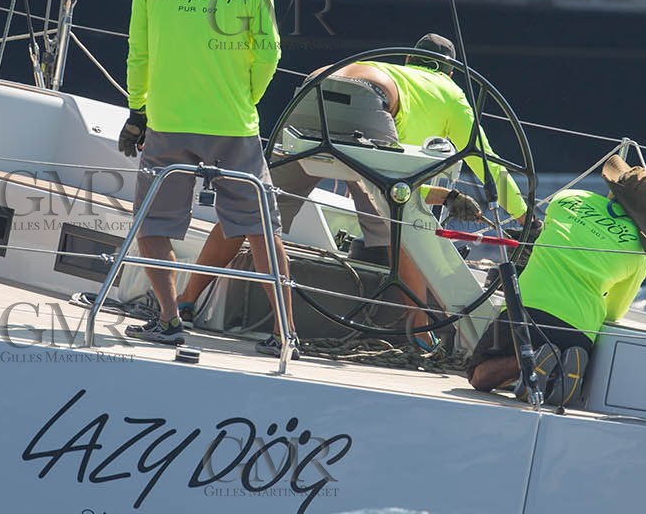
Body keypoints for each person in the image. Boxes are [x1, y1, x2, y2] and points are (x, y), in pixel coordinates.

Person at [173, 34, 529, 345]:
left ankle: (186, 300)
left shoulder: (397, 72)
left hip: (315, 88)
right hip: (368, 102)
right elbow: (484, 163)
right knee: (401, 227)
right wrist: (524, 216)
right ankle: (420, 332)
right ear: (449, 71)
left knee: (254, 211)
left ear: (408, 59)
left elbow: (362, 165)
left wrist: (446, 196)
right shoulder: (449, 92)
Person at [119, 0, 296, 356]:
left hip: (168, 122)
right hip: (235, 124)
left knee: (155, 226)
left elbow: (139, 48)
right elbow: (270, 55)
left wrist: (138, 109)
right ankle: (285, 336)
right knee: (262, 228)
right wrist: (245, 98)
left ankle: (170, 321)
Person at [467, 155, 646, 407]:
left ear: (613, 188)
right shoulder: (641, 251)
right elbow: (614, 312)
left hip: (527, 311)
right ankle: (553, 367)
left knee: (478, 375)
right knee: (552, 361)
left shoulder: (568, 199)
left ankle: (528, 362)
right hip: (579, 330)